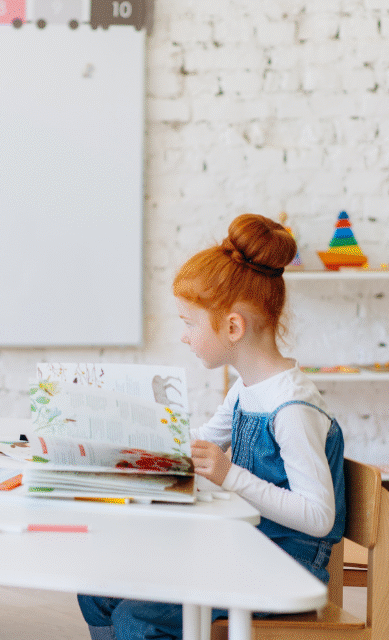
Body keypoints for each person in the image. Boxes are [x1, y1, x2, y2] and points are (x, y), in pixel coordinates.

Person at [77, 214, 347, 640]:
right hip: (249, 545)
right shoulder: (247, 389)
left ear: (233, 327)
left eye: (189, 323)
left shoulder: (292, 408)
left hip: (284, 565)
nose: (185, 336)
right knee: (97, 591)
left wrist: (228, 475)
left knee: (137, 617)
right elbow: (200, 442)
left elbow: (317, 516)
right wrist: (124, 442)